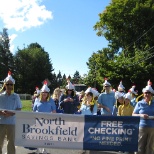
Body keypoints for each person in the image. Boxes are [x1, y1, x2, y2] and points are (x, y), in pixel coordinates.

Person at [0, 71, 22, 154]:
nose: (9, 86)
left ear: (13, 86)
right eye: (8, 84)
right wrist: (1, 112)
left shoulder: (16, 96)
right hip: (1, 122)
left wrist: (11, 113)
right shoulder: (0, 96)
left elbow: (19, 109)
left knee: (11, 143)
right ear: (5, 85)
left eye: (11, 84)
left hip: (12, 122)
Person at [132, 80, 154, 154]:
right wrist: (141, 115)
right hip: (142, 126)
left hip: (152, 127)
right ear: (143, 94)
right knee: (140, 145)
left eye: (149, 93)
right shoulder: (139, 103)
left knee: (150, 146)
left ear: (151, 94)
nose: (147, 94)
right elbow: (133, 114)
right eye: (146, 93)